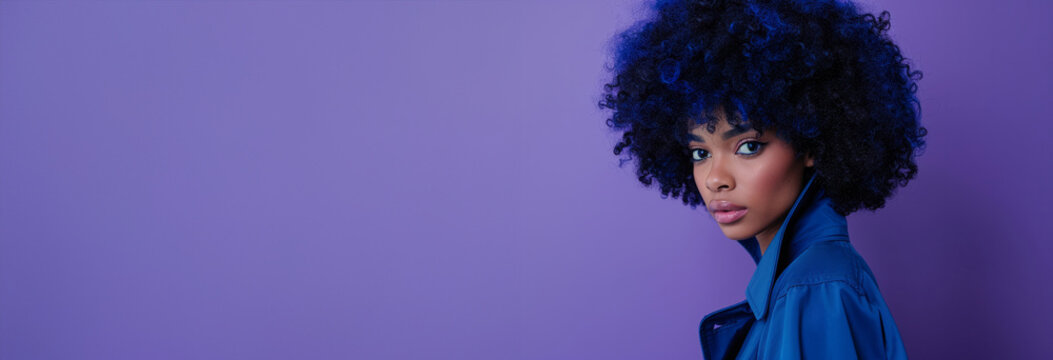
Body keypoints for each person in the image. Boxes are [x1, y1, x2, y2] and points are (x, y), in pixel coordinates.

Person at [598, 0, 926, 358]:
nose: (715, 180)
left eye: (748, 146)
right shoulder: (803, 282)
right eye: (700, 153)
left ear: (811, 143)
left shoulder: (815, 289)